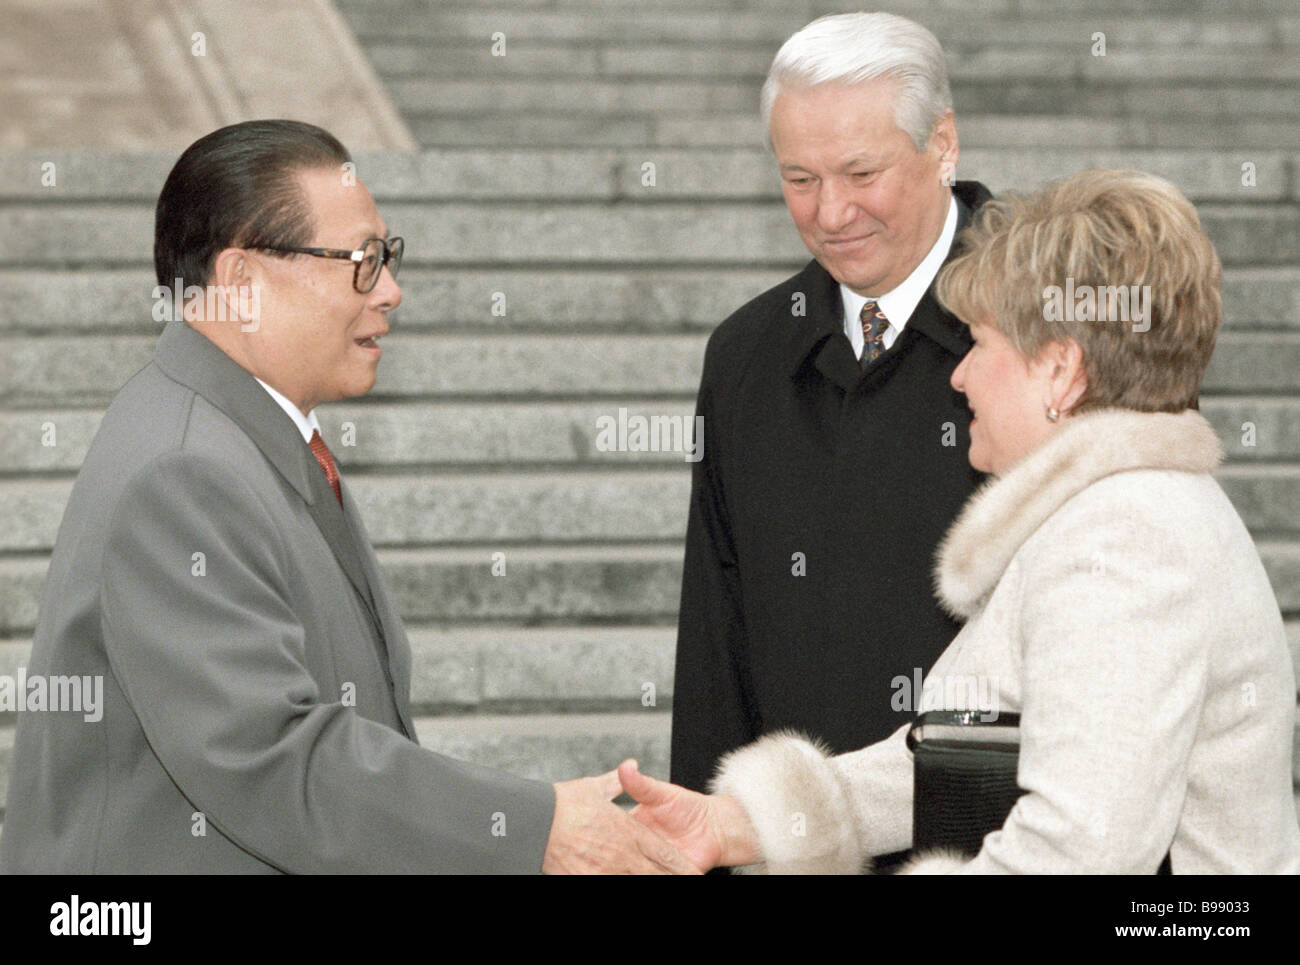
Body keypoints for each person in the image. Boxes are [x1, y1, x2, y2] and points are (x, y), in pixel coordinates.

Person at [0, 120, 696, 875]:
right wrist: (529, 828)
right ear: (241, 282)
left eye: (386, 257)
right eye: (361, 261)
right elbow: (271, 755)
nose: (391, 290)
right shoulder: (183, 469)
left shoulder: (246, 434)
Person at [622, 168, 1300, 874]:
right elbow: (956, 755)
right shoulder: (1111, 513)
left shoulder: (1124, 538)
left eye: (979, 343)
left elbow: (1081, 848)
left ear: (1061, 371)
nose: (958, 374)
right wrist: (737, 822)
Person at [671, 11, 994, 842]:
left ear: (944, 143)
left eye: (860, 171)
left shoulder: (1055, 314)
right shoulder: (745, 354)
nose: (832, 212)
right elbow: (718, 638)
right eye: (799, 178)